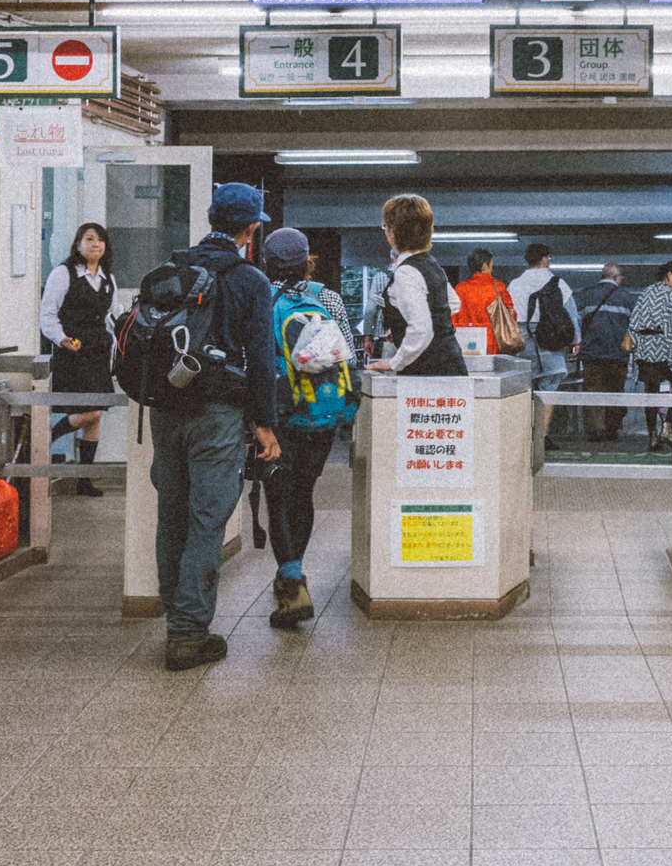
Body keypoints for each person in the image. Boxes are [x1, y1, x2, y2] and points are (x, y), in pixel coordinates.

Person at [149, 183, 280, 672]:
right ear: (251, 229)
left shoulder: (173, 268)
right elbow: (262, 360)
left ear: (209, 218)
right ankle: (186, 633)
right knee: (207, 521)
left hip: (165, 409)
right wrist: (265, 424)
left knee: (172, 515)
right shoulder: (250, 279)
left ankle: (175, 613)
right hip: (217, 415)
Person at [258, 226, 350, 630]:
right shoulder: (326, 298)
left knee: (277, 494)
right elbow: (347, 350)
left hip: (281, 416)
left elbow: (255, 361)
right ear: (307, 259)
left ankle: (292, 583)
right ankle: (292, 577)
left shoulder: (263, 298)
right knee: (304, 492)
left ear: (266, 261)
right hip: (323, 414)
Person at [40, 221, 115, 496]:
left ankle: (85, 480)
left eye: (100, 240)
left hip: (97, 351)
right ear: (78, 243)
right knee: (90, 410)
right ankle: (50, 435)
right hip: (72, 349)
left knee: (96, 417)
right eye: (89, 239)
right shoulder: (63, 273)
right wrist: (60, 338)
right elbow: (47, 314)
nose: (96, 244)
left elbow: (108, 315)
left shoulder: (107, 276)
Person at [364, 193, 467, 378]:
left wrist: (395, 362)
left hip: (425, 371)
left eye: (386, 225)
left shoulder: (405, 272)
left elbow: (421, 330)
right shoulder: (432, 264)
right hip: (452, 363)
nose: (385, 230)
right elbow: (453, 303)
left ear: (394, 230)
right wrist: (404, 326)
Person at [506, 242, 580, 451]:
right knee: (549, 386)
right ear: (545, 259)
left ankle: (524, 435)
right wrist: (576, 341)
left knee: (523, 386)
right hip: (551, 338)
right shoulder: (558, 283)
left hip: (522, 338)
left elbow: (509, 314)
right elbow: (572, 314)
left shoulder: (515, 284)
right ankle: (542, 435)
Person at [628, 260, 672, 453]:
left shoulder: (646, 293)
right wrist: (671, 341)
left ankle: (652, 435)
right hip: (668, 354)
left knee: (651, 394)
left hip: (646, 354)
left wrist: (643, 343)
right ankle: (667, 428)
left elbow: (634, 322)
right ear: (670, 275)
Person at [573, 263, 637, 441]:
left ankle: (596, 430)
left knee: (593, 390)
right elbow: (635, 327)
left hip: (592, 355)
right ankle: (612, 429)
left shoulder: (586, 295)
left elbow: (574, 321)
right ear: (617, 278)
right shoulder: (627, 298)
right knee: (615, 391)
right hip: (618, 355)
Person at [452, 247, 515, 355]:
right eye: (491, 265)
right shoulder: (498, 286)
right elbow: (511, 315)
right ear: (485, 266)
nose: (492, 269)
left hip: (465, 343)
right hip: (493, 343)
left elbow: (453, 318)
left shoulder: (460, 289)